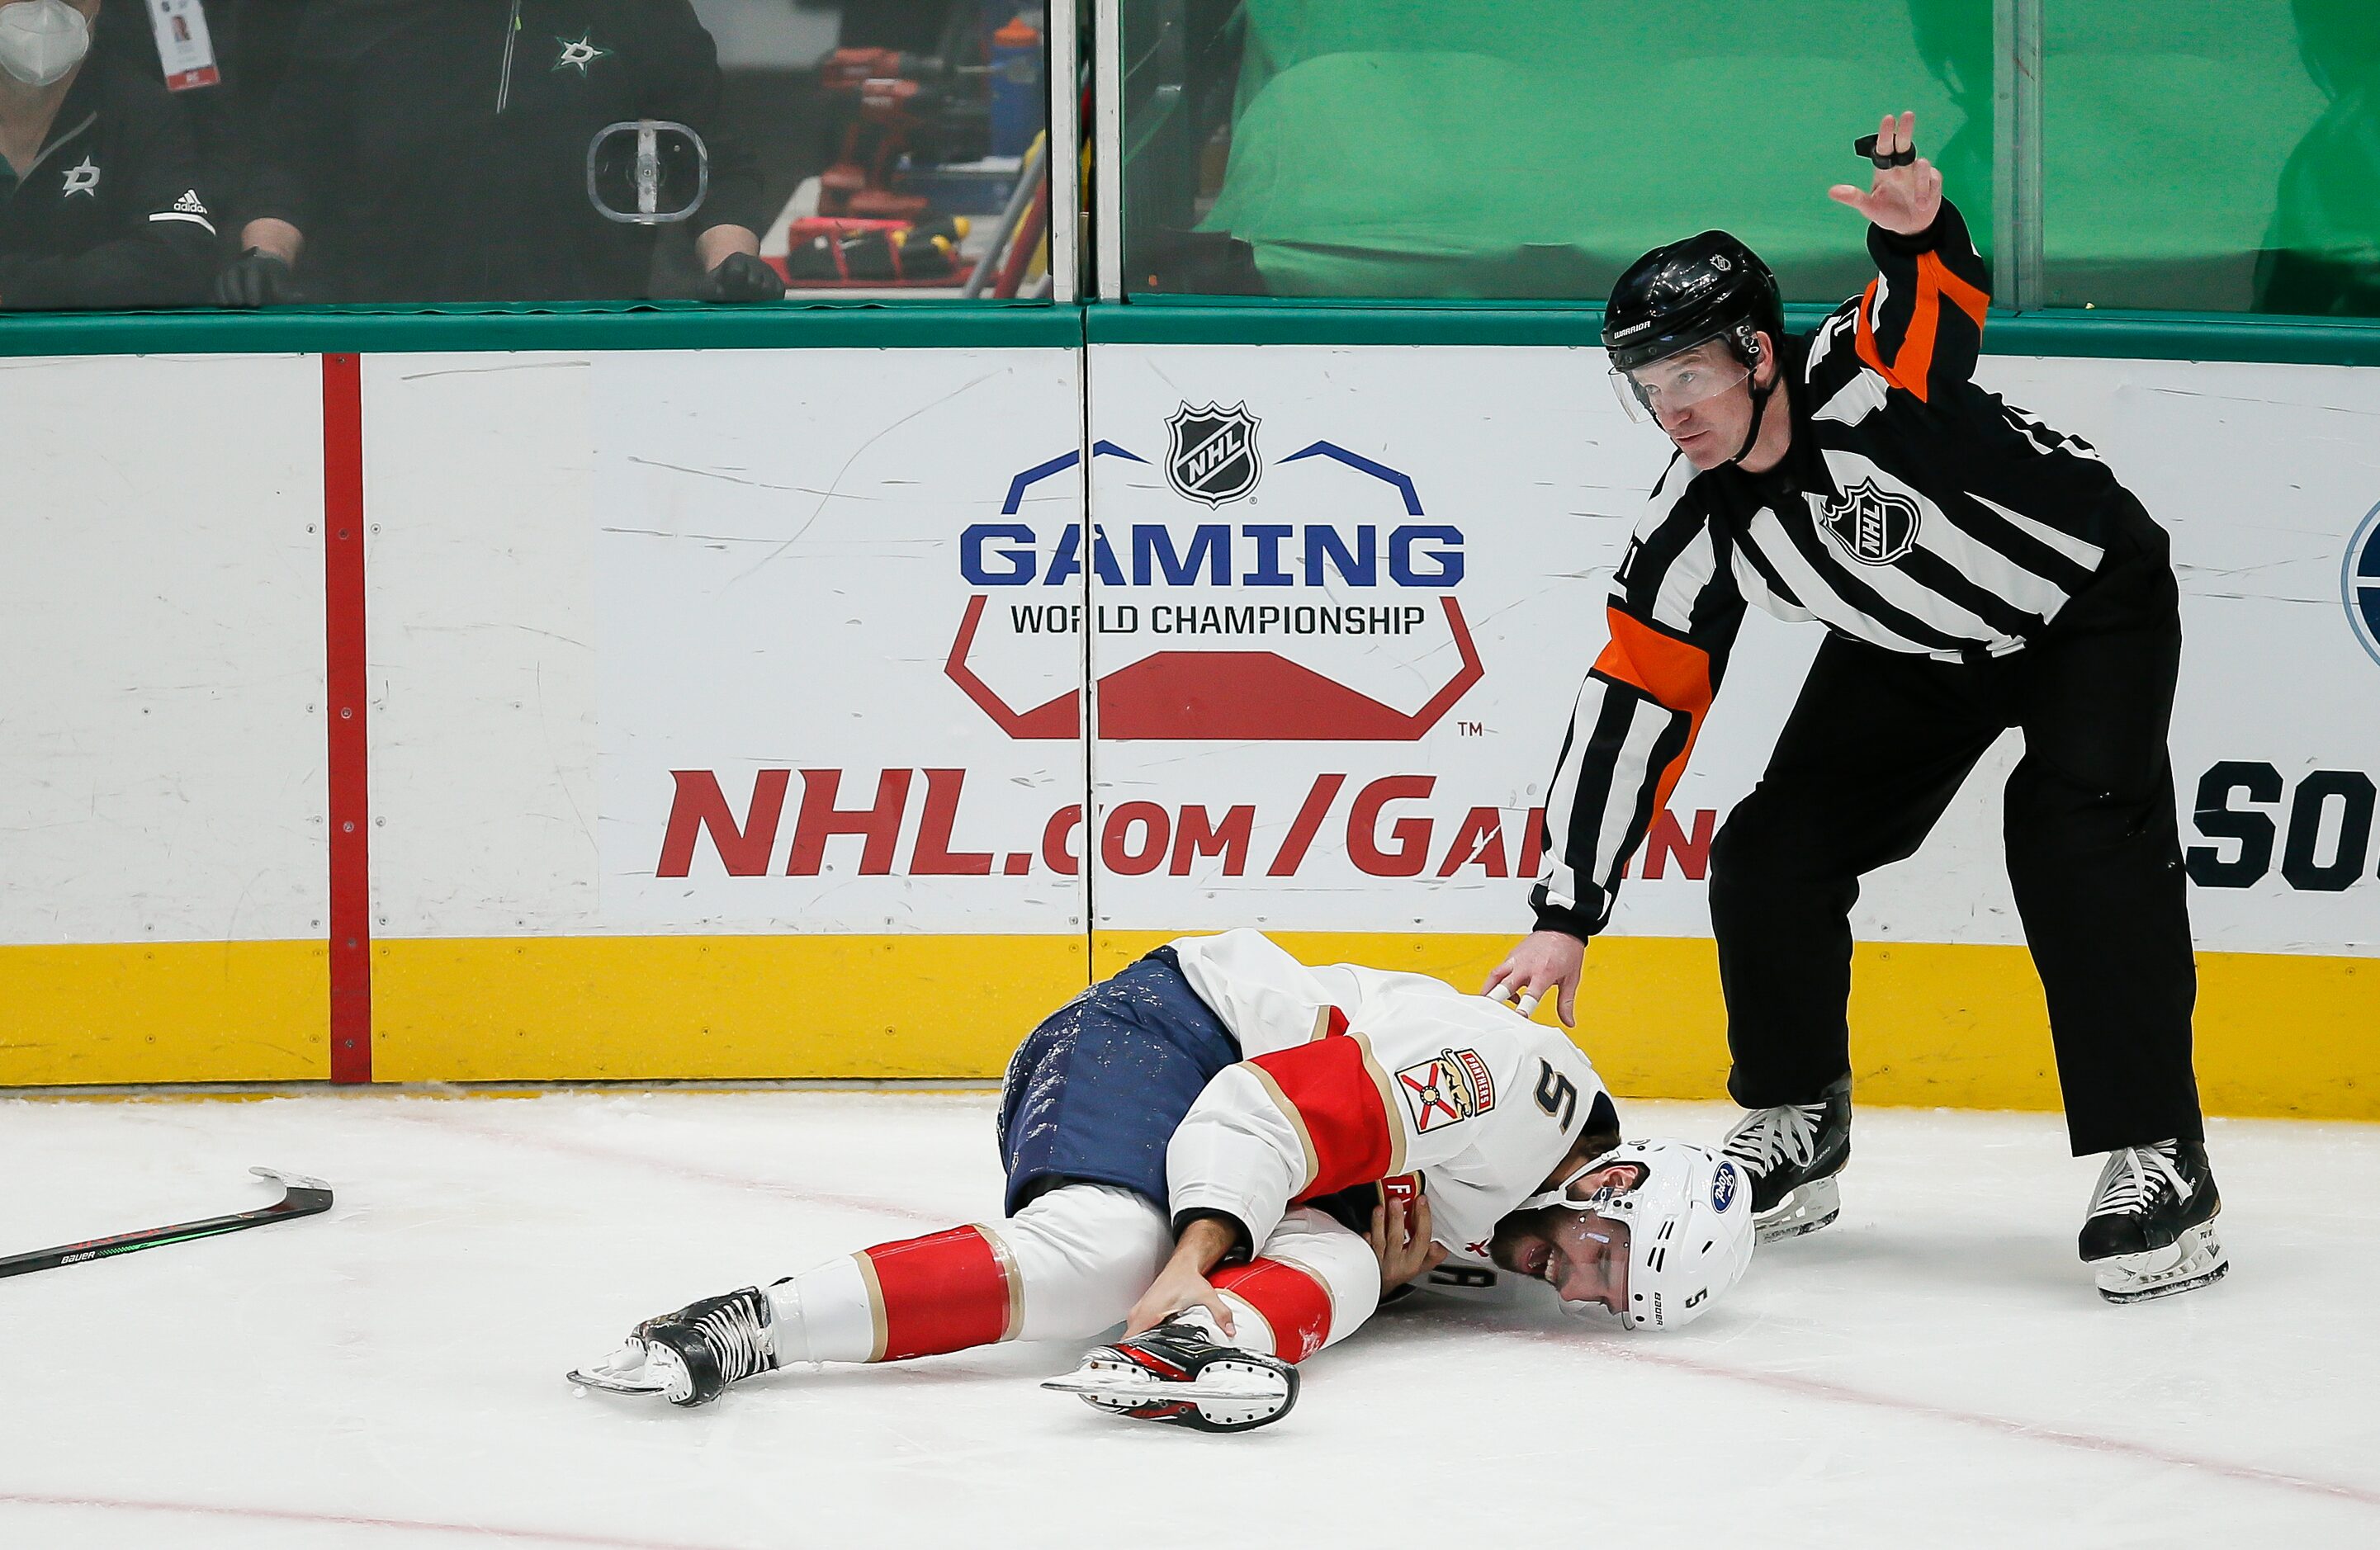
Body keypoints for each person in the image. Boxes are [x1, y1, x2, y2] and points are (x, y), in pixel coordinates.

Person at [1484, 112, 2226, 1306]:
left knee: (2074, 834)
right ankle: (1796, 1119)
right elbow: (1631, 702)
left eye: (1689, 373)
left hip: (2087, 605)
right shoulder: (1691, 522)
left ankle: (2159, 1155)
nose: (1669, 407)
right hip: (1914, 650)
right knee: (1772, 849)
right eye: (1646, 385)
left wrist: (1922, 230)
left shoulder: (1866, 375)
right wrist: (1566, 907)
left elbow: (1928, 316)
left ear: (1756, 353)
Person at [571, 929, 1755, 1429]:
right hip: (1172, 1030)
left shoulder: (1524, 1193)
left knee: (1346, 1262)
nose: (1577, 1290)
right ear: (1612, 1177)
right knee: (1099, 1257)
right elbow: (1262, 1111)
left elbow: (1352, 1216)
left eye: (1607, 1295)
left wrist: (1350, 1272)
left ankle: (1182, 1351)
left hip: (1251, 1117)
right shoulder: (1506, 1084)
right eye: (1600, 1260)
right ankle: (741, 1323)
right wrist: (1190, 1262)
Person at [215, 0, 777, 305]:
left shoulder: (639, 12)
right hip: (385, 333)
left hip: (588, 328)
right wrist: (265, 258)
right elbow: (290, 162)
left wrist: (731, 263)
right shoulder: (355, 12)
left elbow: (713, 159)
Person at [0, 0, 215, 308]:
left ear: (97, 4)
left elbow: (179, 257)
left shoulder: (141, 110)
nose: (45, 12)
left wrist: (18, 288)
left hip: (90, 352)